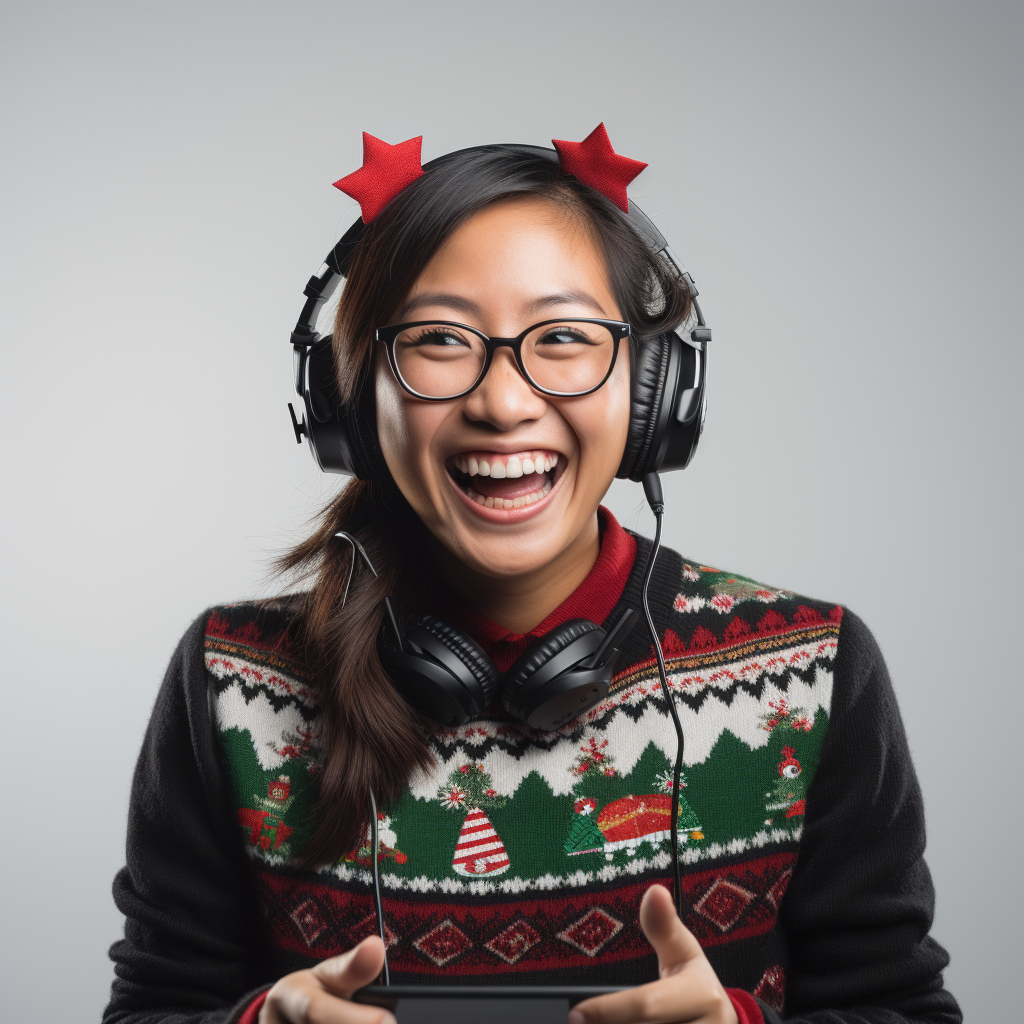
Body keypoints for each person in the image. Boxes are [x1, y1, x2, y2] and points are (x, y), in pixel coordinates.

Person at [103, 129, 962, 1024]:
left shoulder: (815, 666)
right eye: (439, 339)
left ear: (651, 388)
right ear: (353, 399)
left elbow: (901, 1008)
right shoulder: (232, 678)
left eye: (563, 337)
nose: (503, 403)